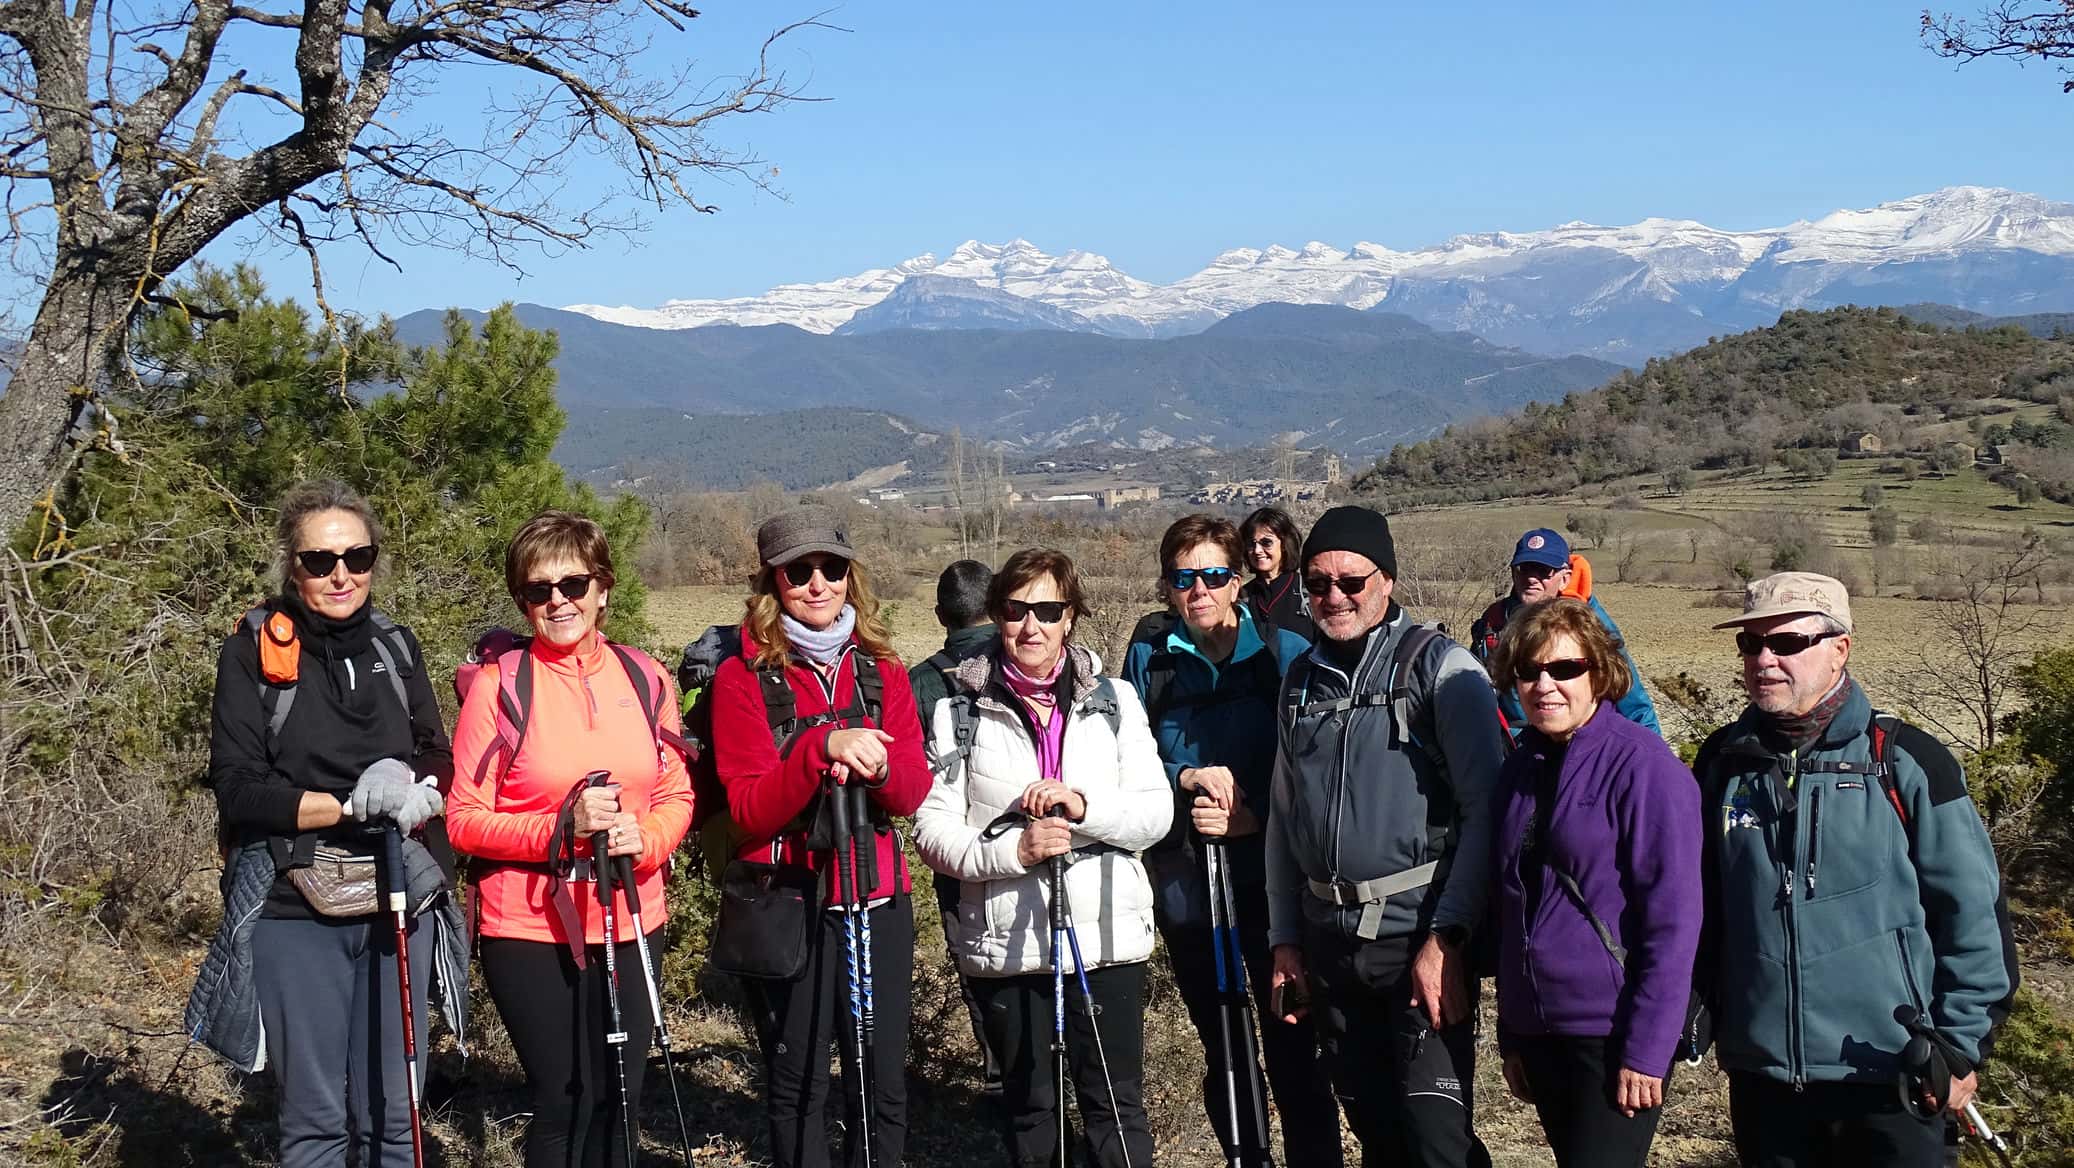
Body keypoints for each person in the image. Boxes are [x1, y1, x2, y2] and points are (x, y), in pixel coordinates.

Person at [1694, 572, 2016, 1168]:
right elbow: (1701, 907)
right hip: (1764, 1078)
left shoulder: (1905, 760)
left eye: (1787, 643)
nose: (1764, 660)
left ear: (1839, 648)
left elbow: (1973, 912)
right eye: (1751, 644)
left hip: (1894, 1074)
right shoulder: (1723, 761)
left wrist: (1958, 1047)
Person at [202, 480, 453, 1168]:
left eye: (356, 557)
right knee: (315, 1124)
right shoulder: (252, 654)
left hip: (399, 898)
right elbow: (239, 790)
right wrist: (351, 805)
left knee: (396, 1117)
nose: (341, 575)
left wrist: (411, 782)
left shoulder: (396, 646)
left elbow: (436, 753)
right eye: (319, 561)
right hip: (295, 904)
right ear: (292, 567)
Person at [447, 510, 695, 1168]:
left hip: (632, 915)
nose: (558, 601)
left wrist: (647, 840)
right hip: (530, 927)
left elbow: (676, 792)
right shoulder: (500, 688)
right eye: (539, 590)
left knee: (621, 1100)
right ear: (522, 601)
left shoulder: (645, 677)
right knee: (566, 1102)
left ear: (603, 588)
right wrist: (562, 827)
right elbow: (463, 819)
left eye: (574, 584)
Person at [1264, 505, 1507, 1168]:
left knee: (1436, 1139)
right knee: (1377, 1132)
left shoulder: (1442, 671)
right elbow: (1284, 821)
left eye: (1352, 582)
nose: (1334, 597)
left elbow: (1487, 813)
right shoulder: (1299, 684)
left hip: (1416, 939)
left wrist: (1447, 939)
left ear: (1387, 580)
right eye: (1318, 583)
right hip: (1330, 945)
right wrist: (1285, 940)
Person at [914, 547, 1172, 1168]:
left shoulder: (1115, 701)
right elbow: (932, 831)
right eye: (1016, 610)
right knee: (1031, 1113)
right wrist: (1015, 850)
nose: (1032, 626)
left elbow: (1155, 814)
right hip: (1008, 946)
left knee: (1116, 1111)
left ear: (1071, 616)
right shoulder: (958, 710)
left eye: (1049, 611)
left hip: (1106, 938)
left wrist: (1084, 808)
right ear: (996, 614)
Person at [710, 506, 931, 1168]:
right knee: (798, 1080)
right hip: (788, 901)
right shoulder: (742, 677)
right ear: (771, 582)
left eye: (831, 568)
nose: (817, 584)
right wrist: (819, 748)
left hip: (876, 896)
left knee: (881, 1081)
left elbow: (911, 793)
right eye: (798, 571)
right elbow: (749, 809)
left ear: (849, 576)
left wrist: (879, 766)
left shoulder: (882, 669)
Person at [1122, 515, 1341, 1168]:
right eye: (1184, 578)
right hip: (1189, 883)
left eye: (1215, 575)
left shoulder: (1283, 653)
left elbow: (1317, 767)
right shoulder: (1150, 658)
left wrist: (1256, 818)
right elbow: (1125, 759)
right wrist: (1183, 778)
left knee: (1293, 1037)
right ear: (1167, 586)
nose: (1200, 590)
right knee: (1224, 1043)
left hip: (1277, 885)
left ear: (1237, 582)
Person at [1489, 598, 1700, 1168]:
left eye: (1565, 669)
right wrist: (1513, 1032)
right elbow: (1511, 904)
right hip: (1541, 1030)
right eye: (1529, 671)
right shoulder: (1519, 769)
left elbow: (1675, 923)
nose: (1545, 686)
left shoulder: (1644, 768)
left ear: (1599, 674)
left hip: (1612, 1032)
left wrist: (1648, 1048)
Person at [909, 558, 1004, 1095]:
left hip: (955, 849)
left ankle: (996, 1072)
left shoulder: (920, 681)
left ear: (940, 614)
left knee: (974, 955)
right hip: (1026, 837)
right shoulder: (1025, 661)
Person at [1469, 528, 1658, 739]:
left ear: (1565, 578)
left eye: (1544, 571)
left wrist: (1653, 752)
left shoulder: (1589, 625)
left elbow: (1633, 701)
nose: (1531, 578)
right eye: (1524, 569)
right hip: (1513, 747)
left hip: (1578, 742)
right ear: (1514, 573)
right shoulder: (1493, 622)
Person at [1240, 505, 1314, 641]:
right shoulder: (1242, 598)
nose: (1257, 550)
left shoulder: (1309, 592)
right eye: (1251, 543)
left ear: (1284, 544)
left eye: (1266, 542)